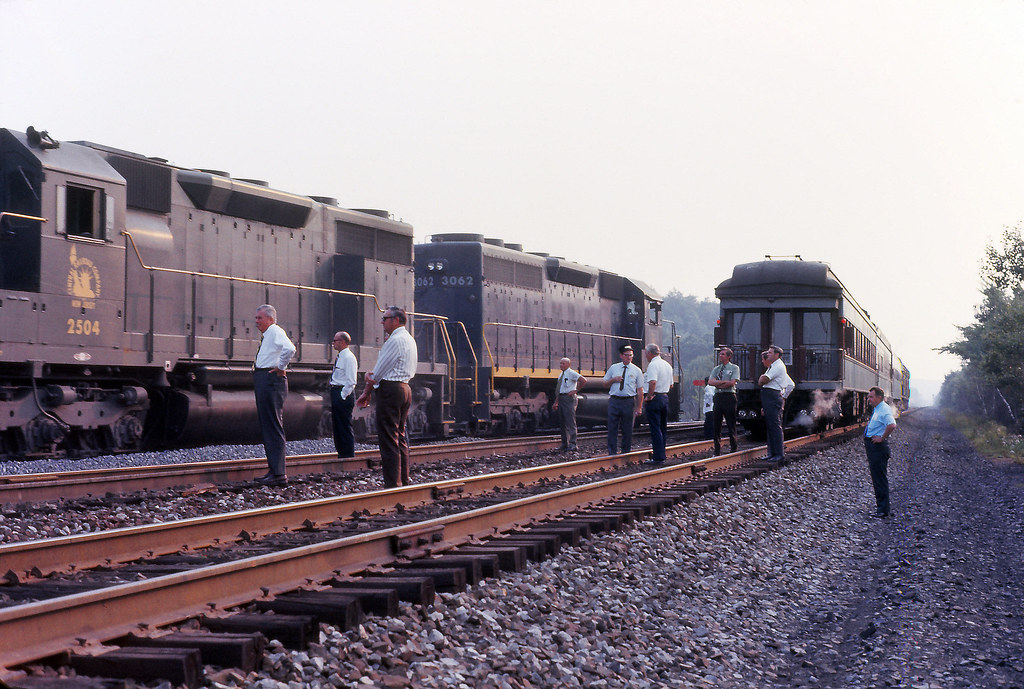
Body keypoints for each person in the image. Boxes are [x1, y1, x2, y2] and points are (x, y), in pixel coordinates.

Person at [356, 306, 417, 488]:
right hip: (405, 388)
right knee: (400, 436)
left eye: (385, 318)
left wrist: (367, 384)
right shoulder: (409, 339)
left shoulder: (395, 340)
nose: (382, 322)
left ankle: (392, 484)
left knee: (389, 437)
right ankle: (403, 480)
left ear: (396, 320)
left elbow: (378, 373)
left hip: (391, 390)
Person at [253, 304, 296, 486]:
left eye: (259, 318)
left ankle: (279, 474)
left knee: (273, 426)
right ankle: (274, 470)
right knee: (269, 426)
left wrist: (281, 367)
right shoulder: (269, 334)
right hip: (265, 379)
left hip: (271, 381)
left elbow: (290, 348)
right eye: (256, 318)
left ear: (270, 319)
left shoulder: (275, 331)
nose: (256, 321)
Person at [602, 344, 644, 456]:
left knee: (627, 429)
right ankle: (612, 452)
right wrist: (613, 380)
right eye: (626, 355)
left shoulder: (637, 370)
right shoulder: (613, 368)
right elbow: (605, 384)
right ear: (621, 355)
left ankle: (626, 452)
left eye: (631, 355)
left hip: (628, 401)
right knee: (612, 428)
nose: (629, 357)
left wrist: (639, 407)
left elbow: (640, 390)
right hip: (614, 401)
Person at [864, 386, 897, 518]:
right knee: (878, 478)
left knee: (879, 479)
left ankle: (883, 511)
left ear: (879, 397)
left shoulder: (883, 410)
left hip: (878, 448)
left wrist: (882, 438)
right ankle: (883, 509)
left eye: (871, 397)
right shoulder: (878, 408)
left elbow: (892, 424)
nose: (868, 399)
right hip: (874, 449)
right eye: (868, 397)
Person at [642, 343, 674, 463]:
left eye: (646, 353)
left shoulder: (653, 365)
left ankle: (658, 457)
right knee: (662, 428)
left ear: (650, 353)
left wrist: (649, 396)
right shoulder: (667, 365)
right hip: (664, 397)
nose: (646, 356)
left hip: (655, 398)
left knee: (655, 428)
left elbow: (653, 382)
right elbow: (671, 385)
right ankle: (662, 454)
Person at [758, 345, 790, 462]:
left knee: (775, 426)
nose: (768, 354)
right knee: (770, 426)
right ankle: (772, 453)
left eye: (770, 352)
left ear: (777, 355)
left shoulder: (778, 366)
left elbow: (763, 380)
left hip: (773, 395)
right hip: (769, 396)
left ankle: (779, 454)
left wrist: (761, 378)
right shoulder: (772, 366)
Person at [329, 331, 358, 458]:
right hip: (337, 392)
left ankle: (348, 456)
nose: (333, 343)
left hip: (343, 394)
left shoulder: (348, 357)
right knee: (338, 426)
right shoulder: (341, 356)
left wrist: (342, 396)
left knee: (344, 426)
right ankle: (342, 454)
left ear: (342, 342)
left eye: (335, 341)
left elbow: (351, 381)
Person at [708, 347, 741, 456]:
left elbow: (732, 383)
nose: (720, 356)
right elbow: (710, 382)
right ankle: (717, 449)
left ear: (728, 356)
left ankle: (733, 447)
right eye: (720, 354)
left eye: (723, 354)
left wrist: (718, 382)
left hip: (729, 396)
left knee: (731, 422)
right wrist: (723, 382)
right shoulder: (716, 369)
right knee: (716, 423)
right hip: (718, 396)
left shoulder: (734, 368)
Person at [552, 357, 586, 452]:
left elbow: (583, 380)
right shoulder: (561, 375)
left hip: (569, 399)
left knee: (570, 421)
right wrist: (556, 402)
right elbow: (560, 390)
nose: (561, 365)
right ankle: (564, 443)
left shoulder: (572, 373)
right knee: (562, 423)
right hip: (562, 398)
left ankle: (573, 444)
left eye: (563, 364)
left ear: (568, 364)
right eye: (560, 363)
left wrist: (576, 390)